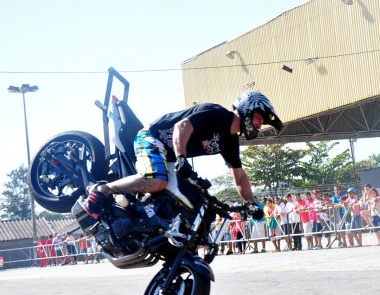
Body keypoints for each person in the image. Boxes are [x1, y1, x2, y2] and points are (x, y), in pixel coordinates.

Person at [82, 91, 281, 219]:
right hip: (152, 138)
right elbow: (182, 127)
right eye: (258, 117)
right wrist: (181, 158)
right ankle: (104, 189)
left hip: (168, 156)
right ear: (247, 109)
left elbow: (239, 176)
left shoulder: (230, 141)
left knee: (189, 202)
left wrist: (252, 203)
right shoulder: (217, 114)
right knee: (157, 181)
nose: (259, 124)